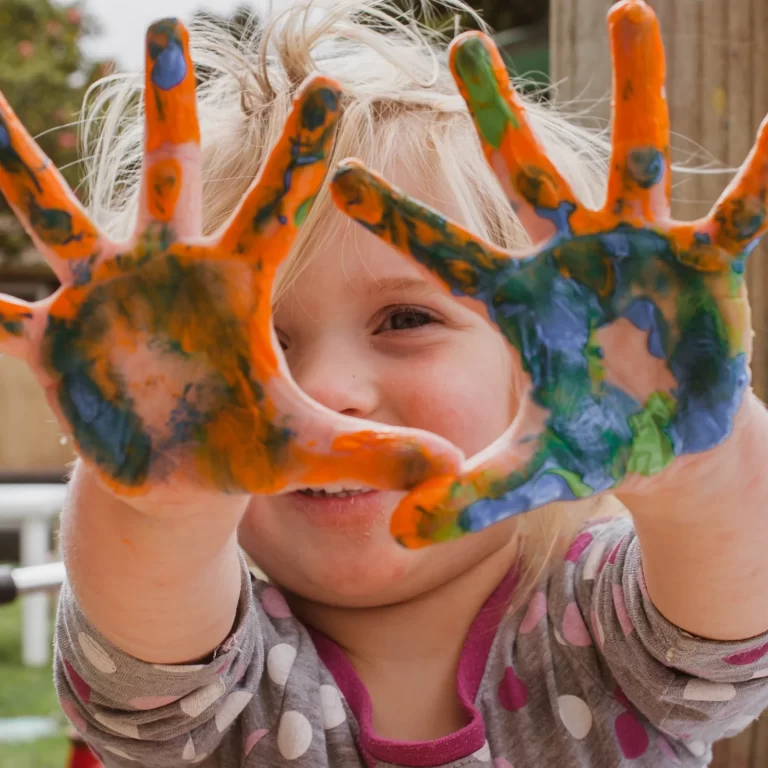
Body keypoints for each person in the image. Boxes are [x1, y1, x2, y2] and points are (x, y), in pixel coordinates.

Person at [0, 0, 766, 765]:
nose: (329, 388)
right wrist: (162, 500)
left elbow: (734, 598)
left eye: (404, 319)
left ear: (538, 361)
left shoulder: (609, 625)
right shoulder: (207, 676)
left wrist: (702, 460)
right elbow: (145, 599)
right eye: (253, 346)